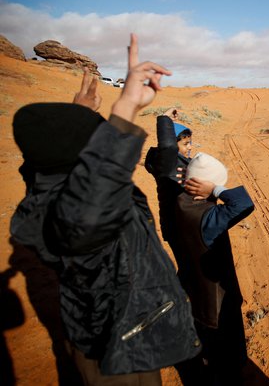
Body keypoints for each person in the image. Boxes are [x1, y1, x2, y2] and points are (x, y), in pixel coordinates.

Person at [10, 35, 200, 385]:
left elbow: (84, 171)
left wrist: (82, 115)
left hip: (117, 329)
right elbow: (99, 185)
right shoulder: (80, 214)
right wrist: (125, 109)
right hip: (116, 347)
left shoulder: (48, 185)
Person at [173, 152, 255, 385]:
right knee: (227, 359)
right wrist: (215, 190)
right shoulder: (208, 218)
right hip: (217, 305)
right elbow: (243, 203)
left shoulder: (179, 202)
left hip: (194, 294)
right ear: (203, 187)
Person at [145, 107, 193, 253]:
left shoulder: (181, 162)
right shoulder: (166, 166)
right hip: (176, 226)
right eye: (185, 144)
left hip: (185, 224)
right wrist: (165, 118)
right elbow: (168, 146)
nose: (190, 147)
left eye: (190, 143)